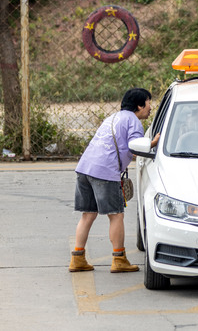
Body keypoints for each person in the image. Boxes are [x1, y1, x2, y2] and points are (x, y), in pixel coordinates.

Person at [69, 88, 160, 273]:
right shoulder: (133, 120)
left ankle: (77, 258)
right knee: (116, 215)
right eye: (149, 103)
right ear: (139, 105)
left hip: (85, 167)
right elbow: (135, 147)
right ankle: (119, 259)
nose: (151, 107)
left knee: (88, 214)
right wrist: (153, 142)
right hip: (105, 171)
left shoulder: (113, 118)